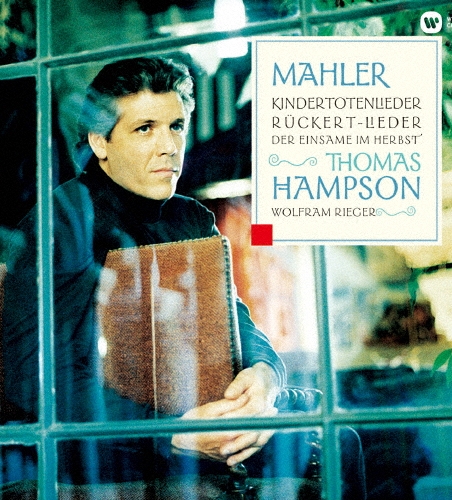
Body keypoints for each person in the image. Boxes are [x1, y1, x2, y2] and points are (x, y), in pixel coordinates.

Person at [2, 56, 286, 483]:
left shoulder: (192, 218)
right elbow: (31, 374)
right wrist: (170, 433)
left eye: (176, 126)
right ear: (100, 142)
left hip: (202, 438)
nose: (168, 146)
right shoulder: (63, 221)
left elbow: (237, 323)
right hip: (104, 461)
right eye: (144, 129)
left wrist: (265, 374)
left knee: (342, 443)